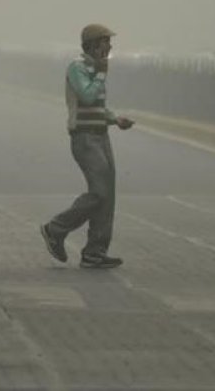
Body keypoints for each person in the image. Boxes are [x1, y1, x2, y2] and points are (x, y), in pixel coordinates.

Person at [40, 24, 134, 269]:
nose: (109, 48)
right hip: (84, 138)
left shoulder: (95, 69)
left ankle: (95, 252)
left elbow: (97, 108)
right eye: (105, 43)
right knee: (99, 193)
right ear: (92, 45)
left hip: (101, 136)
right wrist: (101, 74)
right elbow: (88, 96)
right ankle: (55, 229)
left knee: (108, 197)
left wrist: (115, 119)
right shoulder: (77, 68)